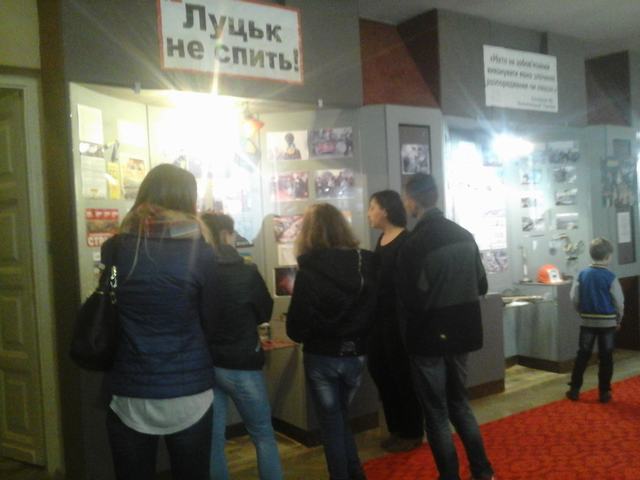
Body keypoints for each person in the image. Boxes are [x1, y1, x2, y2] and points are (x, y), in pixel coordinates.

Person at [103, 163, 216, 480]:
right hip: (190, 391)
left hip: (131, 390)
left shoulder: (116, 249)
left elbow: (109, 303)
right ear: (187, 200)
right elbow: (212, 320)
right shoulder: (201, 252)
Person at [396, 173, 494, 480]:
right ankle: (483, 471)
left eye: (406, 199)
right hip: (462, 333)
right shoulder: (464, 235)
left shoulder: (414, 244)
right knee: (460, 404)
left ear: (412, 200)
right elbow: (482, 284)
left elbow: (410, 299)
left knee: (436, 413)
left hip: (428, 338)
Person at [286, 203, 377, 480]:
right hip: (356, 353)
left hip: (321, 356)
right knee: (339, 419)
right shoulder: (366, 263)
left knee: (331, 424)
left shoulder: (308, 270)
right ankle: (355, 473)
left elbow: (296, 328)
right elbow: (376, 310)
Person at [200, 212, 283, 480]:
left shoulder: (198, 271)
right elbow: (264, 311)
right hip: (243, 361)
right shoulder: (247, 271)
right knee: (263, 435)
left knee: (213, 441)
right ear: (226, 234)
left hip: (208, 363)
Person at [366, 190, 423, 452]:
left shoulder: (406, 241)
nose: (369, 213)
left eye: (372, 207)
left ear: (385, 210)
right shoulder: (381, 239)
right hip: (380, 322)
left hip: (399, 322)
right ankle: (396, 428)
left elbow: (410, 287)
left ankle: (412, 430)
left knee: (402, 377)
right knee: (382, 373)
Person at [566, 237, 624, 403]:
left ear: (591, 254)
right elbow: (619, 302)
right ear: (608, 256)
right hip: (607, 323)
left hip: (587, 322)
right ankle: (604, 392)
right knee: (606, 358)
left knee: (582, 355)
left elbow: (574, 297)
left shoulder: (582, 274)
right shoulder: (610, 276)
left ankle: (574, 389)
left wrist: (581, 312)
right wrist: (618, 319)